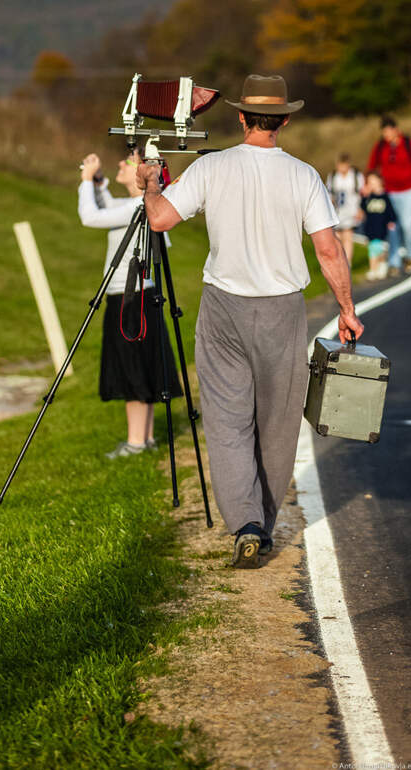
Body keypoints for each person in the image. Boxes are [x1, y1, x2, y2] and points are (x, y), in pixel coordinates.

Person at [137, 74, 364, 569]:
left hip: (223, 307)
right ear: (283, 120)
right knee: (278, 424)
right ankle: (263, 518)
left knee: (226, 419)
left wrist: (152, 181)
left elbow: (160, 220)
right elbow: (328, 249)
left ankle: (245, 523)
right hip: (283, 309)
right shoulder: (304, 175)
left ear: (241, 117)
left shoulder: (212, 166)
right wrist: (346, 310)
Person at [78, 149, 182, 458]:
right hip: (139, 297)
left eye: (129, 161)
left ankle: (136, 442)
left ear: (144, 173)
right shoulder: (138, 204)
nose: (121, 163)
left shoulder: (139, 205)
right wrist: (97, 184)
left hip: (129, 298)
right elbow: (108, 206)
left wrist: (85, 179)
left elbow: (90, 216)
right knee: (141, 365)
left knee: (133, 367)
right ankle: (145, 438)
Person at [366, 115, 411, 276]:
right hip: (388, 193)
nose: (386, 135)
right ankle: (393, 262)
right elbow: (372, 167)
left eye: (388, 131)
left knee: (409, 227)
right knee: (392, 227)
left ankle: (409, 255)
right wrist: (368, 185)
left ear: (396, 130)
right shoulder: (380, 147)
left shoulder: (408, 144)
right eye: (384, 132)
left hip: (408, 191)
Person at [326, 153, 364, 265]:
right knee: (337, 237)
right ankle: (339, 261)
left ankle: (348, 262)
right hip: (337, 211)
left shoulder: (356, 176)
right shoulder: (333, 176)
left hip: (351, 210)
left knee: (348, 234)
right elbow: (329, 194)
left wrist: (360, 209)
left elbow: (361, 193)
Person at [358, 171, 397, 281]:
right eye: (369, 182)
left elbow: (390, 211)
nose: (372, 184)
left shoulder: (385, 196)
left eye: (374, 181)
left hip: (381, 228)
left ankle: (377, 267)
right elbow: (362, 208)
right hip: (370, 227)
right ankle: (377, 267)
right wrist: (364, 195)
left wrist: (391, 221)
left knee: (377, 248)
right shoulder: (368, 197)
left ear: (380, 182)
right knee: (373, 248)